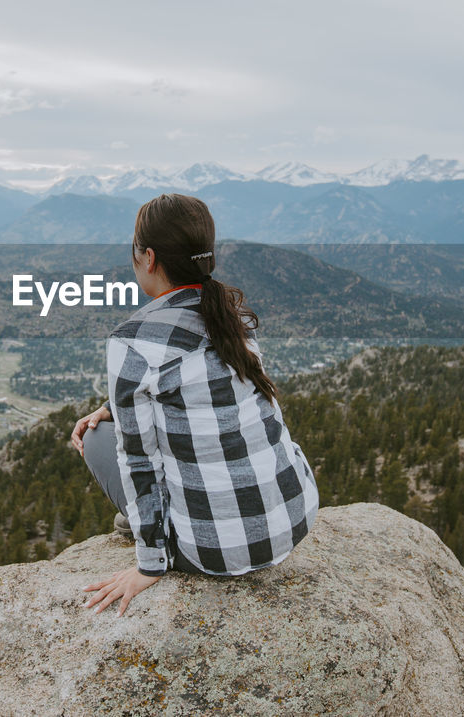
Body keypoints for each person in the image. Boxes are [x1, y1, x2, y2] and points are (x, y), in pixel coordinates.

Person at [69, 193, 320, 617]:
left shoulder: (132, 340)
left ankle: (148, 525)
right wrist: (115, 404)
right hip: (294, 520)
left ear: (148, 258)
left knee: (94, 440)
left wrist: (150, 566)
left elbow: (139, 462)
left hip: (216, 552)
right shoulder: (231, 315)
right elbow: (208, 388)